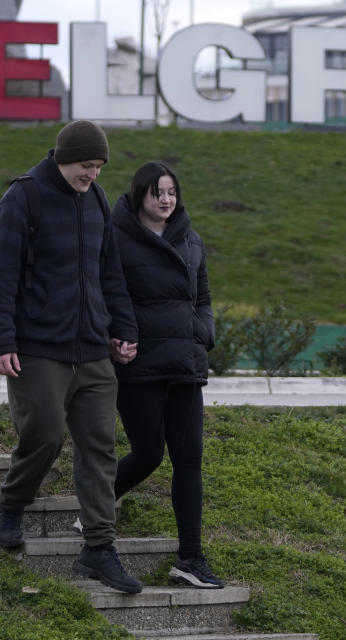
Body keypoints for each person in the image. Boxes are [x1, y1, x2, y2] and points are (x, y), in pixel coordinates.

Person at [0, 120, 142, 594]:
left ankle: (98, 547)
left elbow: (109, 273)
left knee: (99, 447)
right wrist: (1, 341)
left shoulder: (95, 200)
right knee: (45, 435)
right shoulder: (24, 198)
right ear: (61, 157)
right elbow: (1, 274)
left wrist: (123, 329)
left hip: (93, 348)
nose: (92, 174)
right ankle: (13, 503)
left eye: (98, 166)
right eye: (85, 165)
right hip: (38, 347)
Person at [108, 161, 224, 588]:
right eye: (158, 191)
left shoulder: (190, 239)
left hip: (186, 364)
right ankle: (96, 510)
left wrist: (203, 332)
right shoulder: (116, 236)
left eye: (172, 191)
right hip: (139, 364)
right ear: (141, 194)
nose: (166, 199)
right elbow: (107, 292)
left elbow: (204, 296)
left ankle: (190, 559)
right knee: (148, 454)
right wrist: (114, 338)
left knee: (189, 459)